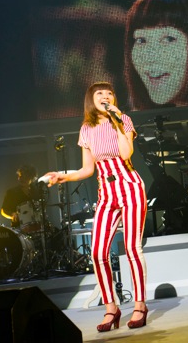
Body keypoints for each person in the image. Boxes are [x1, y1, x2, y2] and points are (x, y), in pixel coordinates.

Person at [44, 82, 148, 332]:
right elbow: (87, 169)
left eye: (109, 93)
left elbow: (126, 153)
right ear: (91, 100)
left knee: (132, 248)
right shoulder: (86, 129)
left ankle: (140, 306)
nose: (105, 96)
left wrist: (118, 120)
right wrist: (62, 175)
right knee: (98, 253)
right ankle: (111, 308)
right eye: (99, 93)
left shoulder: (123, 119)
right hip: (106, 193)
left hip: (130, 186)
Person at [1, 164, 39, 229]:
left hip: (36, 227)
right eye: (20, 176)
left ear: (31, 178)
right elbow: (3, 210)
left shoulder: (36, 191)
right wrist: (12, 214)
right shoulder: (11, 192)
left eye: (25, 176)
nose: (21, 179)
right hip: (18, 228)